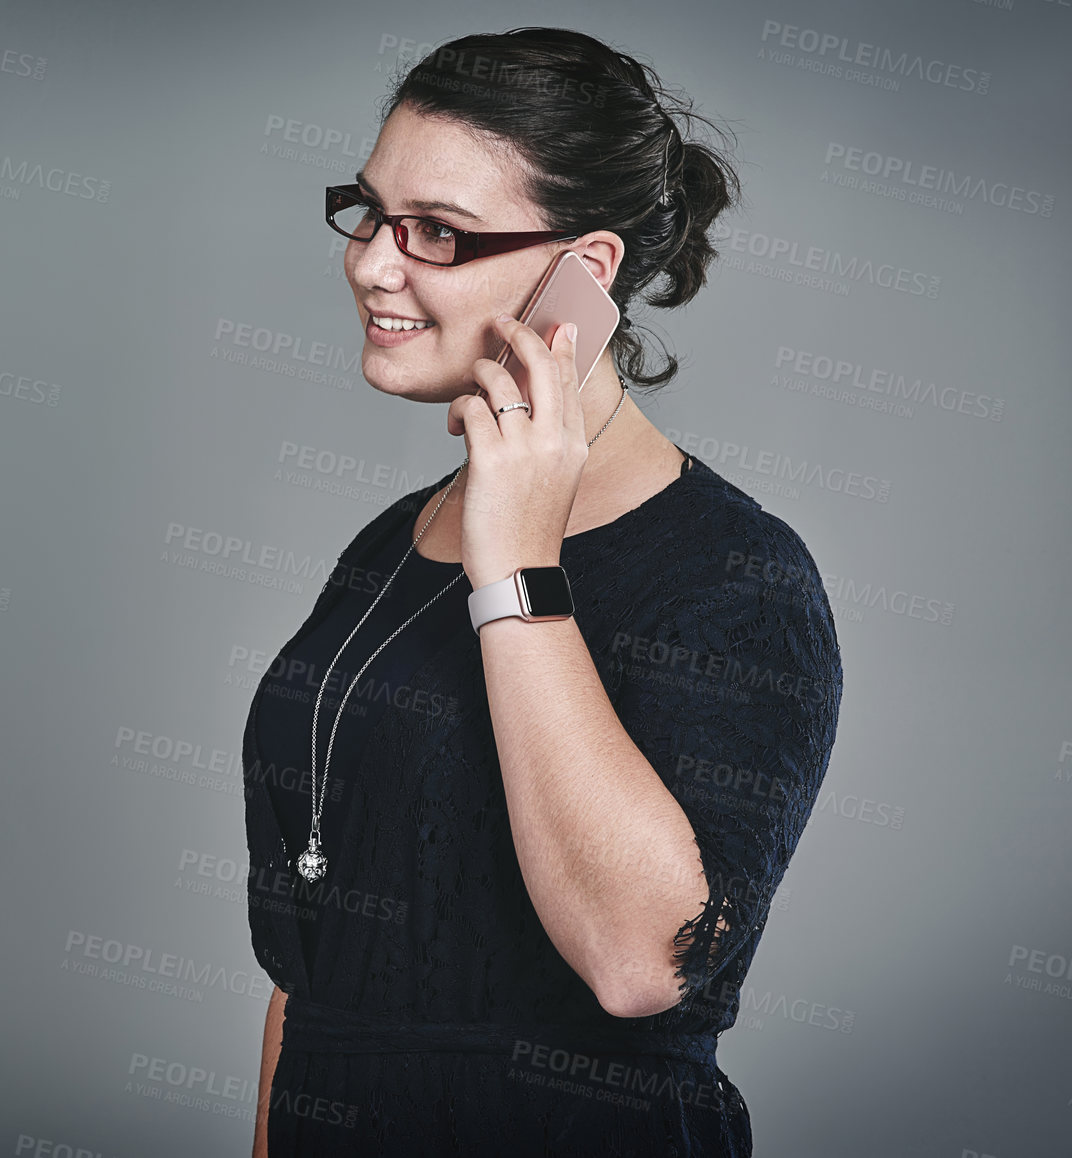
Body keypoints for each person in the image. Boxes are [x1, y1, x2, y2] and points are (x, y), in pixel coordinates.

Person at [241, 27, 845, 1157]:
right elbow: (308, 972)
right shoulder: (389, 543)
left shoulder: (736, 577)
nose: (373, 262)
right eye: (370, 212)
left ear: (586, 272)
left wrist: (517, 566)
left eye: (439, 233)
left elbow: (638, 964)